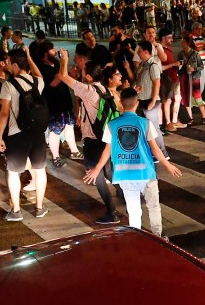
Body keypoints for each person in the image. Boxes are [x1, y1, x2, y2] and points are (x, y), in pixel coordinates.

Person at [83, 88, 181, 236]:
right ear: (137, 103)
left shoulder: (112, 125)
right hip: (146, 173)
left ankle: (137, 237)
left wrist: (97, 169)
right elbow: (155, 149)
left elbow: (107, 150)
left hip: (125, 175)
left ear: (121, 104)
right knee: (153, 207)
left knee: (133, 210)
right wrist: (168, 165)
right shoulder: (145, 123)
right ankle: (158, 237)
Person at [61, 61, 123, 225]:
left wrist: (64, 60)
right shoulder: (104, 89)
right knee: (108, 171)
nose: (80, 72)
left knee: (98, 177)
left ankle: (111, 213)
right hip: (106, 137)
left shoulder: (88, 90)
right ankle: (125, 193)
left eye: (82, 71)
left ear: (88, 76)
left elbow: (63, 76)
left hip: (92, 140)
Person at [0, 48, 47, 221]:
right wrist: (29, 57)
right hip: (38, 133)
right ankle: (39, 207)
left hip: (17, 134)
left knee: (13, 172)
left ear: (15, 65)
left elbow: (4, 113)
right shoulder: (37, 82)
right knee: (40, 170)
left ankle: (16, 211)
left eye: (9, 62)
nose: (7, 65)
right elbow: (39, 75)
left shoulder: (8, 85)